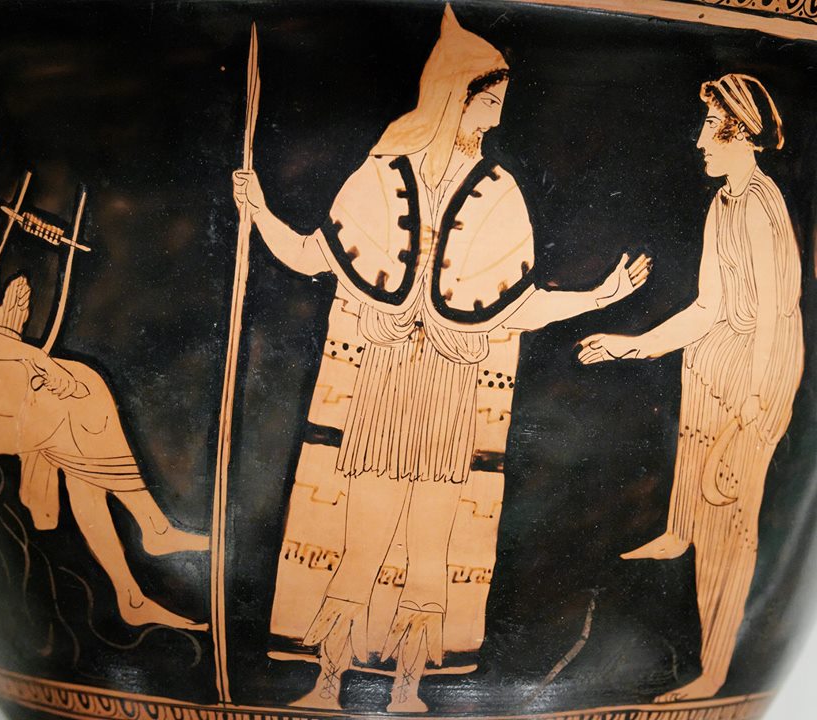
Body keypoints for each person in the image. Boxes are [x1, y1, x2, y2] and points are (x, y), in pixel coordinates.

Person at [234, 6, 649, 712]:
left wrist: (597, 297)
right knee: (361, 543)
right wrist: (258, 211)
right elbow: (310, 256)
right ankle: (328, 685)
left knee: (428, 548)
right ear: (455, 95)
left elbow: (516, 305)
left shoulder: (501, 193)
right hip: (384, 388)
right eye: (489, 100)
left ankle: (407, 691)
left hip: (449, 393)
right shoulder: (377, 178)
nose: (496, 115)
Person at [0, 69, 209, 632]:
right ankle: (153, 528)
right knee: (85, 396)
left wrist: (8, 319)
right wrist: (31, 356)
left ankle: (129, 594)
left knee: (83, 444)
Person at [578, 74, 803, 702]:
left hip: (757, 369)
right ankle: (682, 526)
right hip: (722, 357)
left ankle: (714, 669)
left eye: (710, 128)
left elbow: (776, 312)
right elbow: (707, 307)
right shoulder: (724, 202)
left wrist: (756, 402)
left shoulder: (759, 205)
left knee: (730, 528)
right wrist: (633, 344)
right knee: (703, 493)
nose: (701, 140)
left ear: (738, 133)